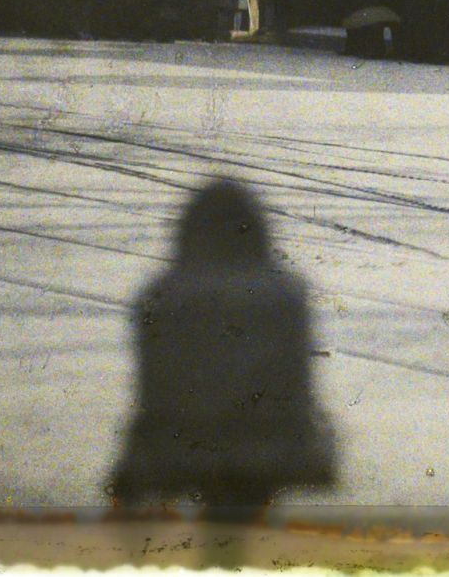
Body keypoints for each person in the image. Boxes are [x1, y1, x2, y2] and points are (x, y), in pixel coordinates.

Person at [109, 179, 336, 524]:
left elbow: (154, 389)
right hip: (269, 447)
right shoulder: (285, 296)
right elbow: (293, 385)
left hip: (181, 447)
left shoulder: (161, 296)